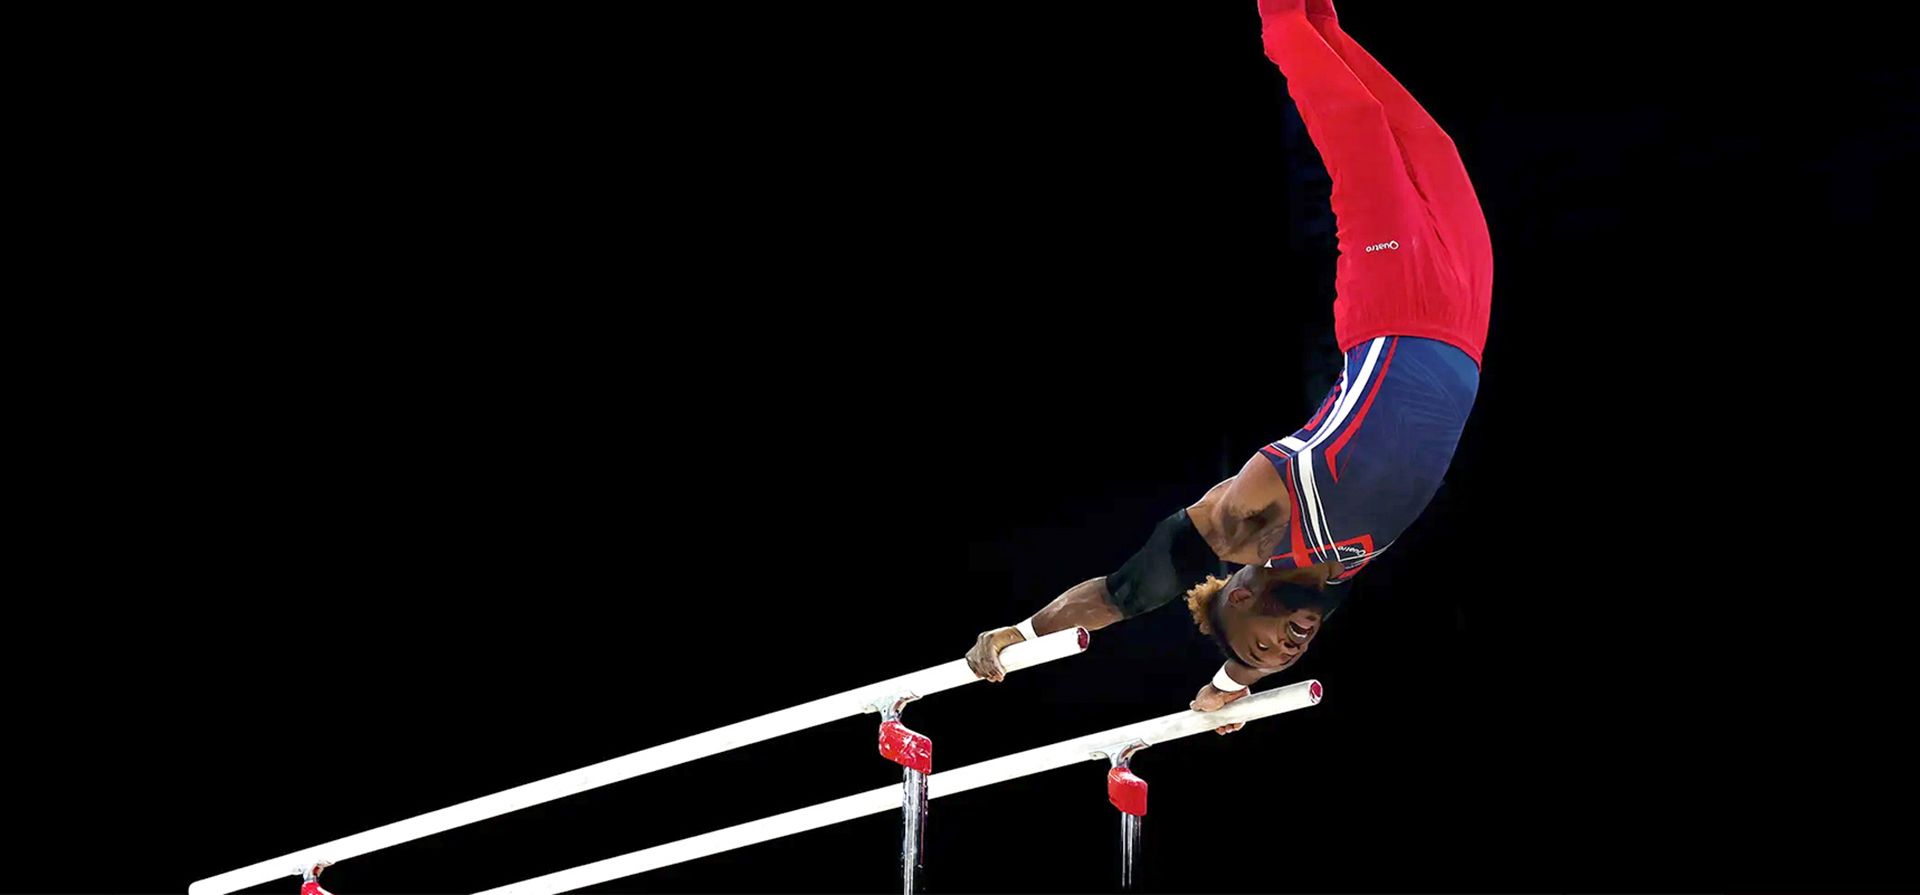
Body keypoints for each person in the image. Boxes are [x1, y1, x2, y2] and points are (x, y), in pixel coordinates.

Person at [966, 0, 1491, 732]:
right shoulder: (1341, 569)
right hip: (1466, 321)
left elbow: (1123, 592)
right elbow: (1256, 648)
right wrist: (1227, 688)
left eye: (1266, 645)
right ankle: (1320, 20)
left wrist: (1022, 636)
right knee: (1427, 141)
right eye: (1282, 656)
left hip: (1393, 307)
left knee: (1358, 130)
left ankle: (1281, 20)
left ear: (1240, 592)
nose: (1285, 648)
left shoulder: (1247, 520)